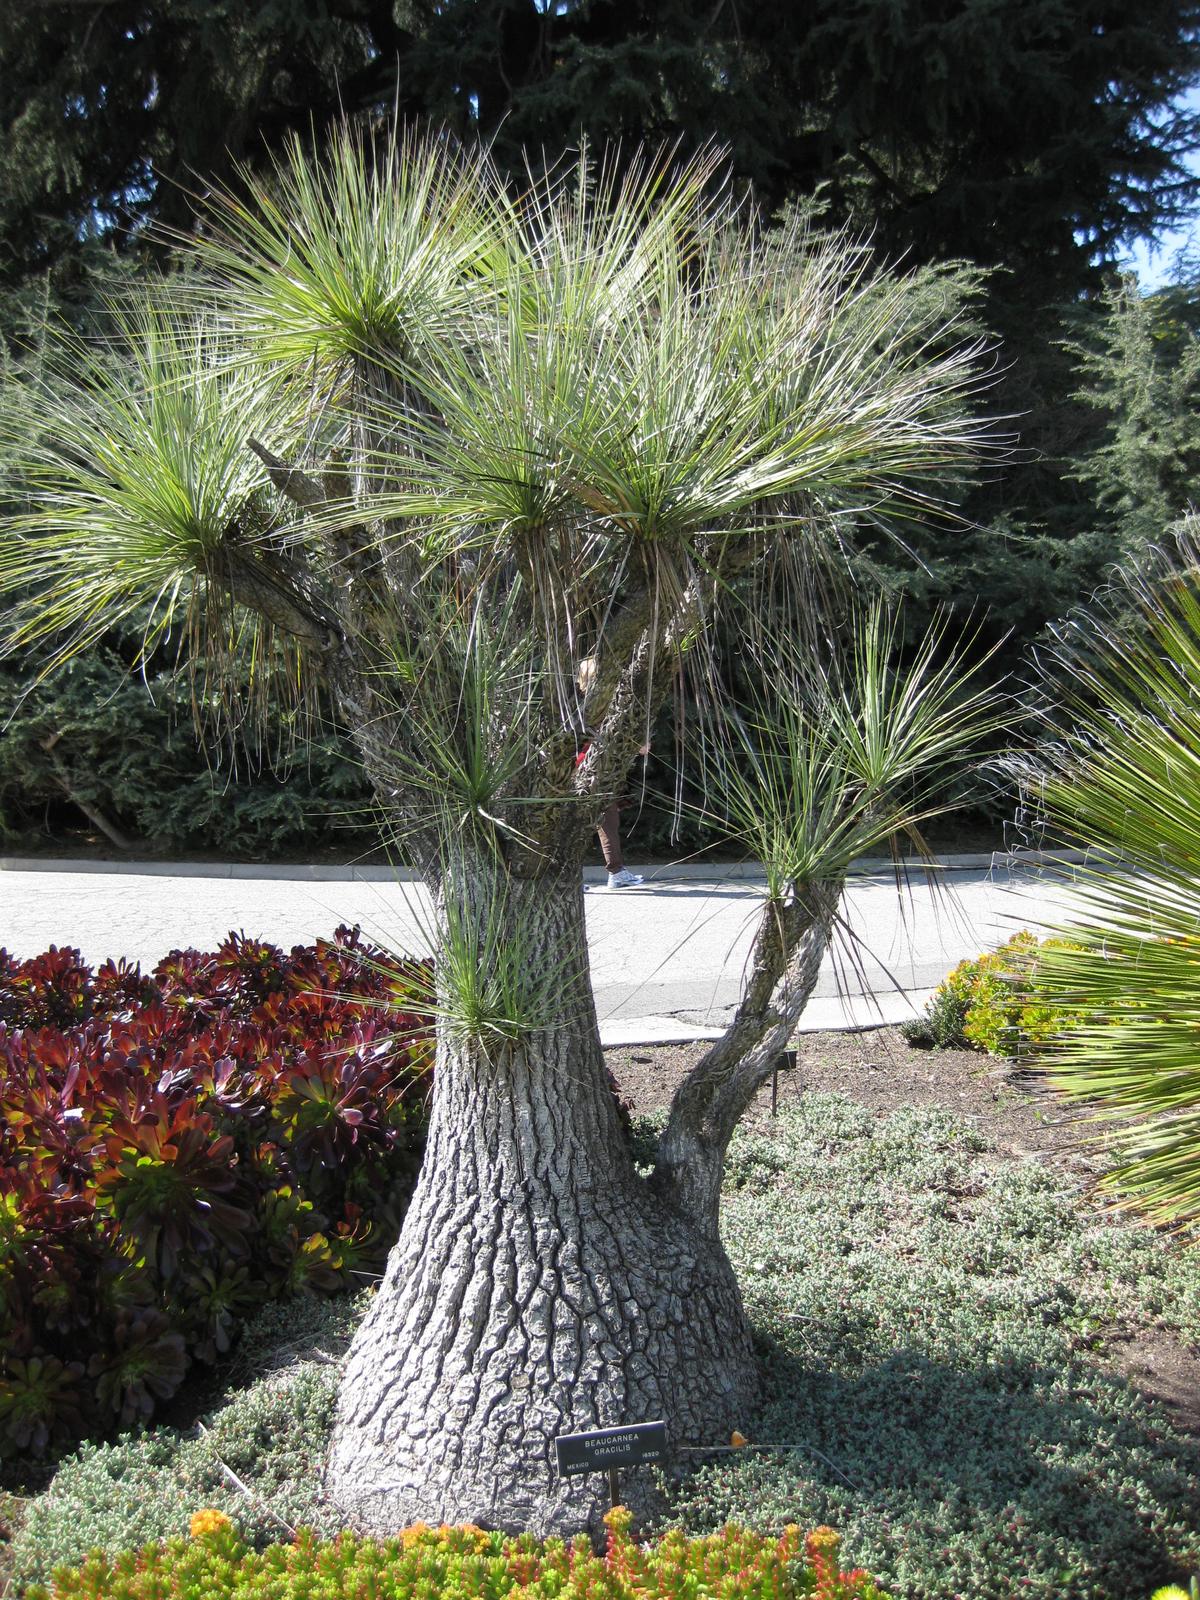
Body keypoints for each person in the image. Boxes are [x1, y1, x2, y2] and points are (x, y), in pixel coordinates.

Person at [575, 657, 646, 889]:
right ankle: (613, 872)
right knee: (599, 820)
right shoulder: (601, 704)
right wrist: (637, 743)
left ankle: (614, 870)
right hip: (594, 768)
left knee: (601, 820)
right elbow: (611, 733)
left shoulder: (584, 702)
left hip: (585, 766)